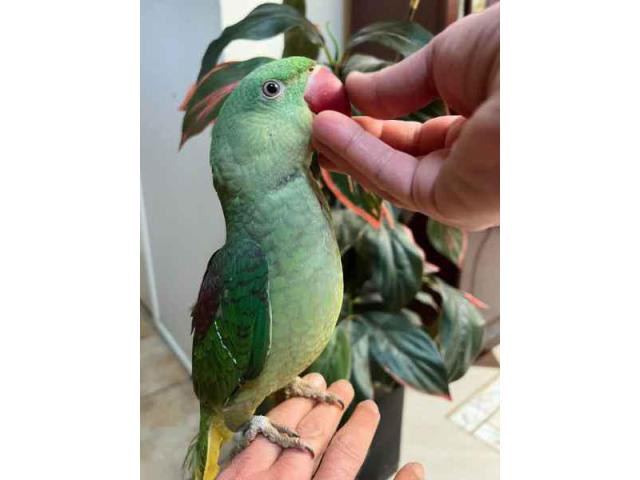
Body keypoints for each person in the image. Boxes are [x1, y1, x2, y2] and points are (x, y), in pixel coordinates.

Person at [219, 4, 499, 479]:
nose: (318, 83)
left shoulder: (307, 198)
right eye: (273, 91)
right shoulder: (242, 266)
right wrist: (239, 422)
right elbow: (225, 378)